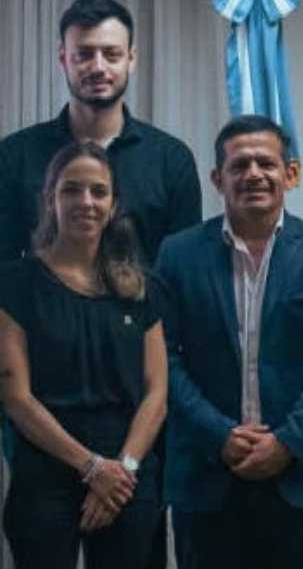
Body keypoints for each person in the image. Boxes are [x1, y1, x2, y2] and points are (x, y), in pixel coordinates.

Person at [154, 115, 303, 569]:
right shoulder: (176, 254)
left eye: (266, 163)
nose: (253, 174)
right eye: (239, 164)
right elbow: (162, 360)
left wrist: (286, 442)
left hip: (298, 476)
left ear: (291, 173)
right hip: (206, 478)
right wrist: (219, 434)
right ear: (217, 179)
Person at [0, 142, 167, 568]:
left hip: (128, 473)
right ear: (50, 199)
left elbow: (156, 393)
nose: (85, 202)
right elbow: (15, 397)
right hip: (47, 471)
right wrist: (92, 468)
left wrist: (122, 470)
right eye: (71, 190)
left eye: (98, 191)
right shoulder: (16, 282)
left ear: (113, 205)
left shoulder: (139, 288)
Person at [0, 0, 201, 264]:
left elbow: (182, 272)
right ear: (63, 59)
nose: (98, 67)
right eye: (83, 54)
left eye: (111, 54)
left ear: (131, 59)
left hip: (143, 307)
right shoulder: (14, 156)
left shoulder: (172, 160)